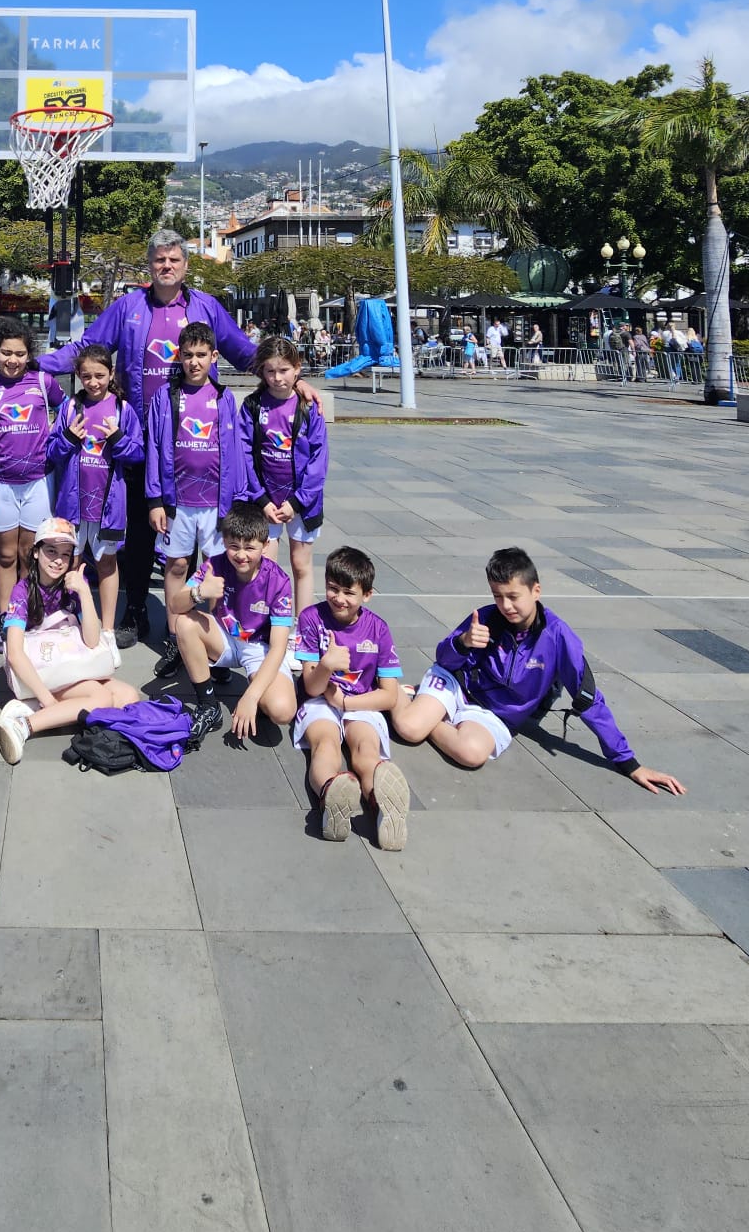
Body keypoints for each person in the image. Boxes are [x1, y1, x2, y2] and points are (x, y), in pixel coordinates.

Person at [38, 228, 311, 646]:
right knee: (138, 529)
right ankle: (135, 612)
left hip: (191, 446)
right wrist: (33, 364)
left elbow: (247, 352)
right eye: (159, 260)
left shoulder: (207, 307)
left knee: (199, 539)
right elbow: (87, 346)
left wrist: (294, 380)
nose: (166, 266)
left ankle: (201, 625)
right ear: (149, 265)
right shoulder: (128, 307)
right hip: (134, 439)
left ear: (185, 264)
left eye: (174, 260)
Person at [391, 546, 688, 793]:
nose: (505, 605)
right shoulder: (485, 617)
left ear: (536, 590)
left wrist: (628, 763)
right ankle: (396, 696)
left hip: (495, 714)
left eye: (513, 596)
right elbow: (443, 658)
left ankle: (423, 706)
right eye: (497, 596)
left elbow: (587, 697)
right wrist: (463, 643)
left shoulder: (558, 637)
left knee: (471, 754)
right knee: (409, 730)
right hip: (457, 685)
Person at [0, 517, 141, 763]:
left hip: (70, 665)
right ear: (36, 552)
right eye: (51, 551)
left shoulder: (73, 586)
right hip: (39, 672)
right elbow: (15, 654)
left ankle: (34, 708)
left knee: (128, 696)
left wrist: (84, 592)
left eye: (65, 554)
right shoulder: (21, 591)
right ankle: (23, 726)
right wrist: (47, 698)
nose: (58, 560)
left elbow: (92, 640)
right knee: (102, 698)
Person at [293, 544, 408, 849]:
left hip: (360, 701)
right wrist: (327, 665)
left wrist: (346, 703)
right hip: (319, 700)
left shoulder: (378, 629)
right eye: (333, 588)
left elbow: (389, 696)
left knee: (365, 749)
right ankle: (332, 792)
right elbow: (311, 686)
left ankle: (383, 805)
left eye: (349, 592)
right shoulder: (311, 618)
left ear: (366, 595)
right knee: (325, 743)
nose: (339, 598)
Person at [165, 502, 298, 740]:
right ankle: (208, 705)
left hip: (259, 648)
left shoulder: (279, 581)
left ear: (265, 546)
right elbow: (175, 606)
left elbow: (278, 647)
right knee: (184, 623)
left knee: (282, 711)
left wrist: (251, 697)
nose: (241, 555)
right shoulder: (214, 565)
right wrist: (200, 593)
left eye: (250, 547)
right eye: (234, 546)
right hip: (224, 636)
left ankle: (260, 692)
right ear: (224, 541)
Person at [0, 324, 65, 650]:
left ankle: (25, 614)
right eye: (6, 353)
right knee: (7, 556)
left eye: (20, 354)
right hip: (1, 484)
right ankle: (4, 620)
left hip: (38, 481)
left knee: (29, 555)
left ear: (29, 355)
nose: (12, 360)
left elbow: (67, 411)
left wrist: (54, 434)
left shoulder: (43, 382)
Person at [45, 342, 144, 649]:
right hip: (72, 505)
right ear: (78, 375)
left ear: (111, 373)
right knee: (70, 563)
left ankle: (108, 629)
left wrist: (117, 439)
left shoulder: (123, 410)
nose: (93, 382)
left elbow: (137, 454)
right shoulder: (70, 408)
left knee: (106, 564)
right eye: (86, 376)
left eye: (99, 375)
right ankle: (70, 621)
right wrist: (67, 438)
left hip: (108, 506)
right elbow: (51, 452)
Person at [145, 320, 250, 598]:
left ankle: (213, 623)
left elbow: (235, 450)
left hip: (216, 503)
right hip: (177, 502)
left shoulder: (224, 397)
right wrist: (155, 500)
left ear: (213, 356)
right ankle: (173, 623)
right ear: (179, 355)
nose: (194, 362)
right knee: (178, 565)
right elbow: (154, 448)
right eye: (188, 355)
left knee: (215, 568)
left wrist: (239, 499)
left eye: (201, 355)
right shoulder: (165, 396)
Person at [240, 333, 327, 614]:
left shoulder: (309, 407)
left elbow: (318, 460)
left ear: (297, 369)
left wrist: (297, 502)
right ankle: (268, 625)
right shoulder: (253, 406)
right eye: (270, 371)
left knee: (301, 565)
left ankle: (304, 627)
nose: (277, 378)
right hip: (266, 501)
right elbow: (243, 455)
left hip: (302, 502)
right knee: (266, 565)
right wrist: (261, 499)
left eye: (284, 370)